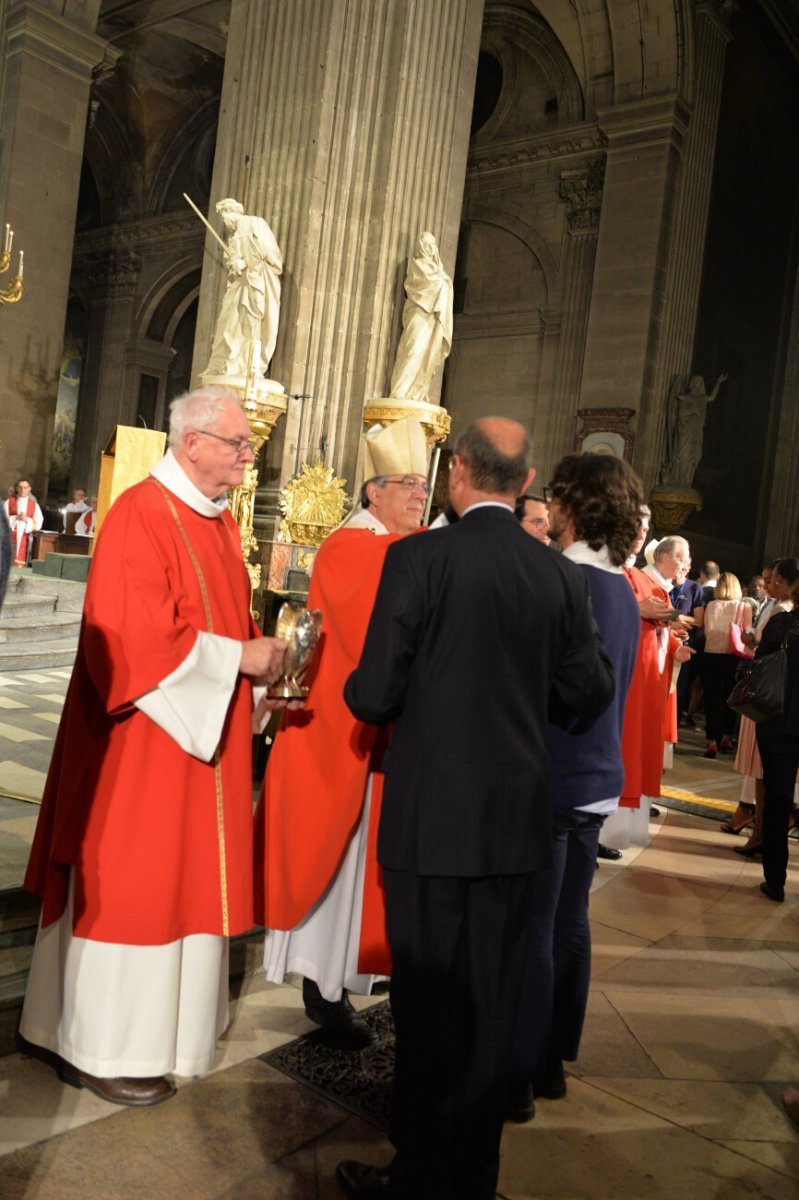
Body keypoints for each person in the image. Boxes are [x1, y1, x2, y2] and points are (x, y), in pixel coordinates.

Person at [337, 418, 615, 1200]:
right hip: (515, 824)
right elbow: (588, 693)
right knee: (491, 1010)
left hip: (430, 822)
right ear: (525, 483)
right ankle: (470, 1182)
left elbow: (375, 691)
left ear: (458, 472)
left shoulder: (419, 558)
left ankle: (416, 1179)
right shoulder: (558, 577)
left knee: (427, 1010)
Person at [19, 387, 288, 1107]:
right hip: (143, 741)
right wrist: (240, 660)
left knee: (185, 882)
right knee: (137, 882)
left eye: (245, 446)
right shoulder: (142, 514)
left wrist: (262, 671)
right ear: (192, 442)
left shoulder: (217, 524)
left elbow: (228, 626)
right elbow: (136, 643)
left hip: (198, 739)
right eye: (236, 444)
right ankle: (100, 1045)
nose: (245, 457)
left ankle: (161, 1037)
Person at [255, 416, 429, 1049]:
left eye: (424, 484)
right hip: (335, 733)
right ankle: (322, 988)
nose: (420, 494)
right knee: (336, 866)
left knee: (363, 870)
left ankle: (343, 979)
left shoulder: (398, 545)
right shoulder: (354, 544)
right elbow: (364, 616)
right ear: (372, 493)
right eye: (406, 484)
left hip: (372, 733)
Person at [508, 454, 642, 1124]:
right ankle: (553, 1061)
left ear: (572, 505)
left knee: (532, 927)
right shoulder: (619, 586)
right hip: (595, 776)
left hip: (553, 772)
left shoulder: (563, 580)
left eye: (556, 496)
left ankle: (519, 1074)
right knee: (569, 920)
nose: (550, 506)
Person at [754, 560, 799, 902]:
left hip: (780, 723)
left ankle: (776, 879)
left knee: (778, 800)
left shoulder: (782, 623)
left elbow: (760, 664)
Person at [203, 198, 283, 379]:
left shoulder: (255, 224)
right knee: (227, 324)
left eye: (223, 217)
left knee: (250, 323)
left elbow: (271, 257)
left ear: (230, 212)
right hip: (240, 285)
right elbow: (233, 264)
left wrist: (245, 262)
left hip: (255, 283)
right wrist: (234, 264)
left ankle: (246, 365)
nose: (224, 222)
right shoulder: (233, 237)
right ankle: (227, 363)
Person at [389, 231, 454, 402]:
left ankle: (416, 393)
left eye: (432, 245)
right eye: (426, 244)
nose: (430, 248)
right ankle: (400, 391)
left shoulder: (438, 271)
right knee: (413, 350)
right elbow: (422, 286)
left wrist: (444, 282)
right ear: (420, 247)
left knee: (428, 356)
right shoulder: (418, 265)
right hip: (419, 314)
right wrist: (443, 282)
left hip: (433, 318)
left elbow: (443, 285)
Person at [702, 572, 751, 758]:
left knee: (711, 699)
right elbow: (747, 633)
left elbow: (707, 633)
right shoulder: (744, 606)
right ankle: (726, 737)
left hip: (711, 654)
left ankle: (711, 741)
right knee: (731, 698)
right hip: (733, 656)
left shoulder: (711, 605)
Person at [661, 373, 727, 487]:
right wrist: (693, 411)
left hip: (695, 434)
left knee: (694, 457)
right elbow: (681, 414)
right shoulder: (685, 398)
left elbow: (712, 397)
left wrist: (719, 382)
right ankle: (676, 480)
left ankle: (686, 482)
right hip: (684, 432)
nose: (701, 386)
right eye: (699, 383)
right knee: (682, 455)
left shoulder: (701, 399)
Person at [3, 478, 43, 566]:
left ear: (29, 489)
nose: (22, 490)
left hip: (25, 536)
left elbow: (39, 522)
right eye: (20, 487)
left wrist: (27, 519)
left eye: (25, 487)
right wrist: (14, 518)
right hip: (10, 535)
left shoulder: (34, 505)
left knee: (21, 561)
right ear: (17, 488)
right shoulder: (9, 502)